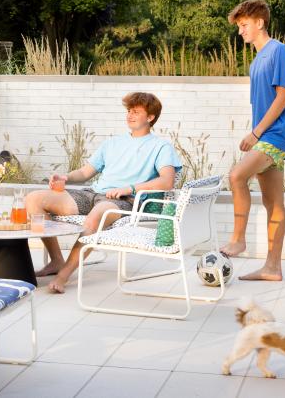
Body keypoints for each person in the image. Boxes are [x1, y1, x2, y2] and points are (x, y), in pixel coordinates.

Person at [25, 92, 182, 293]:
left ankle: (64, 275)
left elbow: (166, 181)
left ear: (150, 117)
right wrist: (66, 177)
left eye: (136, 112)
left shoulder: (161, 146)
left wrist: (130, 188)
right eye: (128, 111)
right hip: (93, 193)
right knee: (33, 199)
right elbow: (85, 172)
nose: (130, 115)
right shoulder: (113, 142)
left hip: (125, 201)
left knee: (99, 212)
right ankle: (56, 260)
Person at [220, 0, 285, 282]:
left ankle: (238, 239)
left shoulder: (278, 51)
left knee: (237, 176)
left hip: (277, 134)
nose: (240, 31)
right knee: (273, 202)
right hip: (266, 135)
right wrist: (256, 133)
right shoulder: (257, 60)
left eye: (243, 25)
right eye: (239, 27)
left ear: (259, 22)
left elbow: (283, 96)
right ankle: (272, 268)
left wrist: (255, 134)